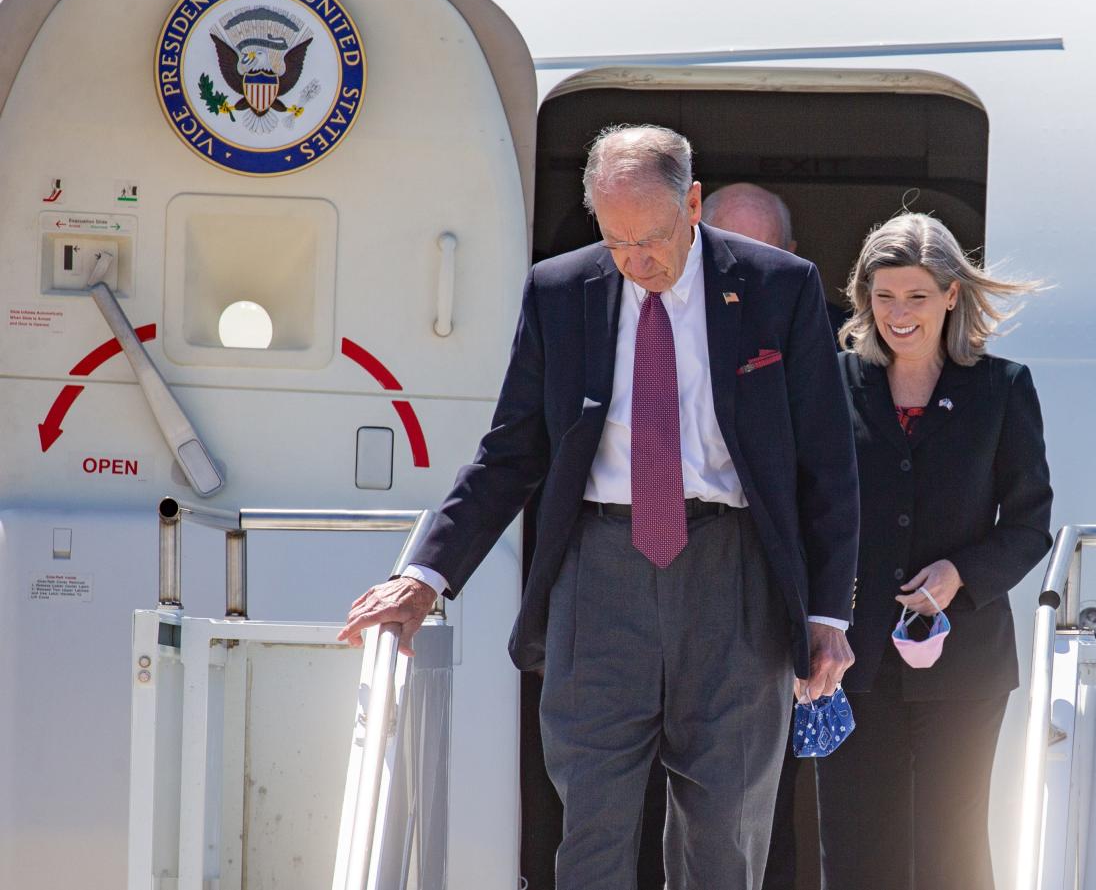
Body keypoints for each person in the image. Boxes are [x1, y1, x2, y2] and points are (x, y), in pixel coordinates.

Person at [339, 124, 861, 890]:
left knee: (724, 843)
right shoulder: (560, 290)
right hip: (598, 576)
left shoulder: (777, 285)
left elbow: (828, 462)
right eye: (616, 242)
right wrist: (428, 576)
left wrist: (828, 615)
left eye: (650, 239)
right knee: (590, 835)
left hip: (735, 577)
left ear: (693, 201)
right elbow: (510, 452)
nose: (635, 262)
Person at [817, 212, 1053, 890]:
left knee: (952, 851)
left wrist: (960, 573)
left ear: (951, 295)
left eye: (917, 296)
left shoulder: (1003, 388)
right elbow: (808, 511)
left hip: (965, 662)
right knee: (859, 850)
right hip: (851, 660)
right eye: (884, 295)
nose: (899, 313)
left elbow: (1031, 522)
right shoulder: (830, 384)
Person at [703, 183, 848, 342]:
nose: (747, 276)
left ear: (790, 257)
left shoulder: (838, 335)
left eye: (764, 260)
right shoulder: (677, 321)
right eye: (732, 257)